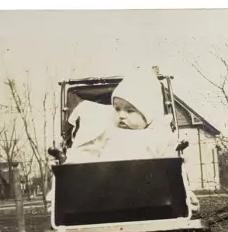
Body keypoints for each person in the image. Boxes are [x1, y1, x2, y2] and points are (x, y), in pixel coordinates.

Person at [49, 67, 200, 212]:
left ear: (147, 114)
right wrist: (67, 173)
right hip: (106, 195)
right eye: (117, 109)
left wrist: (185, 193)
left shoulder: (158, 135)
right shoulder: (105, 132)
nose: (121, 115)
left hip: (151, 196)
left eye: (129, 111)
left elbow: (172, 166)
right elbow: (84, 156)